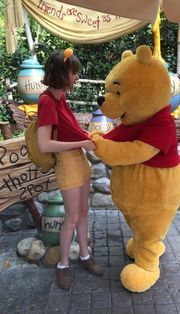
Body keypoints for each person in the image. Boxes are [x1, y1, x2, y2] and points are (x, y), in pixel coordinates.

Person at [37, 48, 103, 290]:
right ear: (61, 73)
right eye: (73, 73)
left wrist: (85, 139)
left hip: (78, 158)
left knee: (83, 212)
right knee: (72, 218)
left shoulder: (60, 96)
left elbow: (69, 129)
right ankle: (63, 265)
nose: (76, 77)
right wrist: (82, 143)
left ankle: (84, 256)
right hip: (67, 162)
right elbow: (44, 144)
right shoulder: (46, 101)